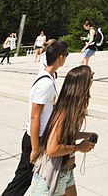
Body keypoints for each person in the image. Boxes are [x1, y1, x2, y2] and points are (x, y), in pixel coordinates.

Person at [1, 39, 69, 196]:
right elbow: (34, 117)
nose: (65, 58)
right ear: (59, 57)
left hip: (39, 137)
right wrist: (35, 148)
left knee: (26, 179)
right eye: (65, 55)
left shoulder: (49, 77)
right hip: (34, 139)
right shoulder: (44, 83)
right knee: (21, 181)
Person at [28, 65, 97, 196]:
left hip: (66, 171)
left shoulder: (72, 110)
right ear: (81, 83)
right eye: (91, 77)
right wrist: (78, 147)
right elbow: (52, 149)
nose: (92, 80)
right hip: (51, 175)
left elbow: (65, 135)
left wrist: (85, 135)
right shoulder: (63, 113)